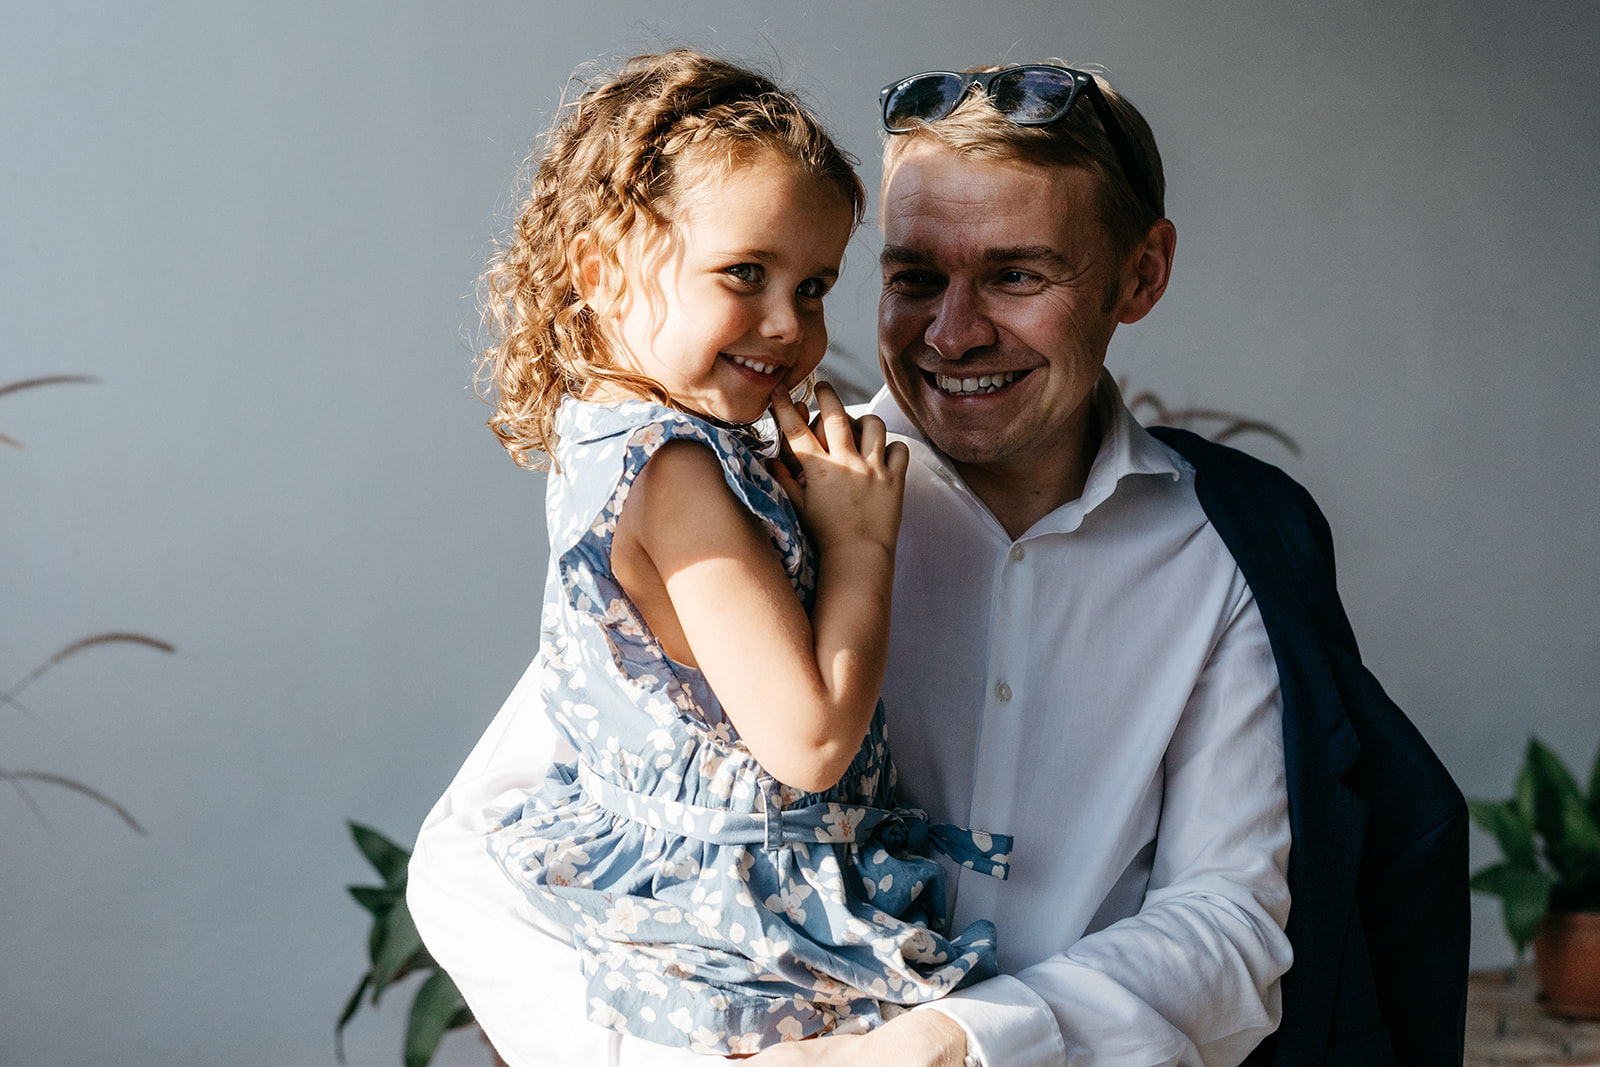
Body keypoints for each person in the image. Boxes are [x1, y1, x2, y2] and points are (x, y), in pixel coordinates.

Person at [410, 59, 1469, 1066]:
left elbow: (1228, 922)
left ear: (1141, 273)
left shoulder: (1228, 541)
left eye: (1015, 275)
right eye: (915, 277)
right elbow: (474, 858)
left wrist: (949, 1044)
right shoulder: (761, 494)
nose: (953, 334)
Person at [456, 49, 1012, 1057]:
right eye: (744, 273)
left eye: (815, 285)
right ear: (602, 270)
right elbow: (808, 742)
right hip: (749, 948)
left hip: (691, 922)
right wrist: (859, 539)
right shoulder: (674, 472)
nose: (787, 324)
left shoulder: (615, 433)